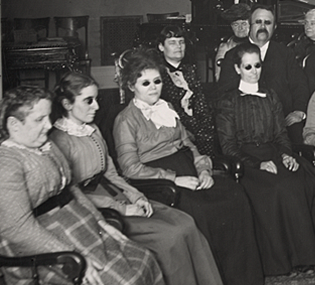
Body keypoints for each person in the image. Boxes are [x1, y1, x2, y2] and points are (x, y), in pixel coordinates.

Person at [0, 86, 164, 285]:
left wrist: (101, 223)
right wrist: (70, 255)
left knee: (145, 259)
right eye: (39, 120)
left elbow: (71, 190)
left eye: (48, 117)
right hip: (32, 248)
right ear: (13, 124)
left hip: (72, 226)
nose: (48, 125)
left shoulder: (43, 144)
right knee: (124, 281)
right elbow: (18, 230)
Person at [49, 72, 223, 285]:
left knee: (185, 222)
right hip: (96, 209)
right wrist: (121, 208)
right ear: (67, 104)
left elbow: (112, 174)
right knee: (169, 237)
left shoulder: (92, 130)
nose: (96, 106)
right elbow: (73, 195)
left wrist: (137, 196)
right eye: (88, 101)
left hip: (118, 193)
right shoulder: (59, 141)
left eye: (96, 99)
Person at [112, 49, 264, 285]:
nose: (153, 88)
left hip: (188, 168)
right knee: (201, 210)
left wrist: (203, 168)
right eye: (145, 83)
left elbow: (188, 144)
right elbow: (130, 169)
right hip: (159, 181)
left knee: (235, 195)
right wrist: (174, 179)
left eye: (157, 81)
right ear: (132, 86)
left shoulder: (168, 107)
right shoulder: (125, 120)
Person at [216, 43, 315, 276]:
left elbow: (281, 134)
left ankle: (308, 256)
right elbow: (228, 146)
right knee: (278, 188)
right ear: (237, 69)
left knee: (303, 179)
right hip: (246, 162)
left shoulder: (270, 95)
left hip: (274, 152)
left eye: (258, 66)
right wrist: (257, 164)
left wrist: (286, 155)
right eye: (248, 66)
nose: (254, 71)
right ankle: (286, 261)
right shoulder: (228, 101)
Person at [219, 4, 311, 144]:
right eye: (258, 22)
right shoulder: (233, 55)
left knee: (299, 143)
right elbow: (224, 92)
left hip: (283, 121)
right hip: (246, 122)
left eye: (267, 23)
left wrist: (299, 111)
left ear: (274, 28)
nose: (262, 26)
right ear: (249, 26)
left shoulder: (285, 54)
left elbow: (299, 86)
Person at [158, 25, 218, 157]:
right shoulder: (158, 74)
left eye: (181, 42)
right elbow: (170, 108)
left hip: (196, 124)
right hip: (174, 126)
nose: (178, 46)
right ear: (161, 47)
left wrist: (206, 123)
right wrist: (197, 127)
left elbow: (200, 100)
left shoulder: (190, 69)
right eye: (172, 43)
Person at [215, 3, 251, 81]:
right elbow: (219, 77)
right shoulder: (225, 47)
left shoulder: (257, 44)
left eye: (244, 24)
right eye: (236, 25)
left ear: (250, 24)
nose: (240, 28)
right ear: (231, 27)